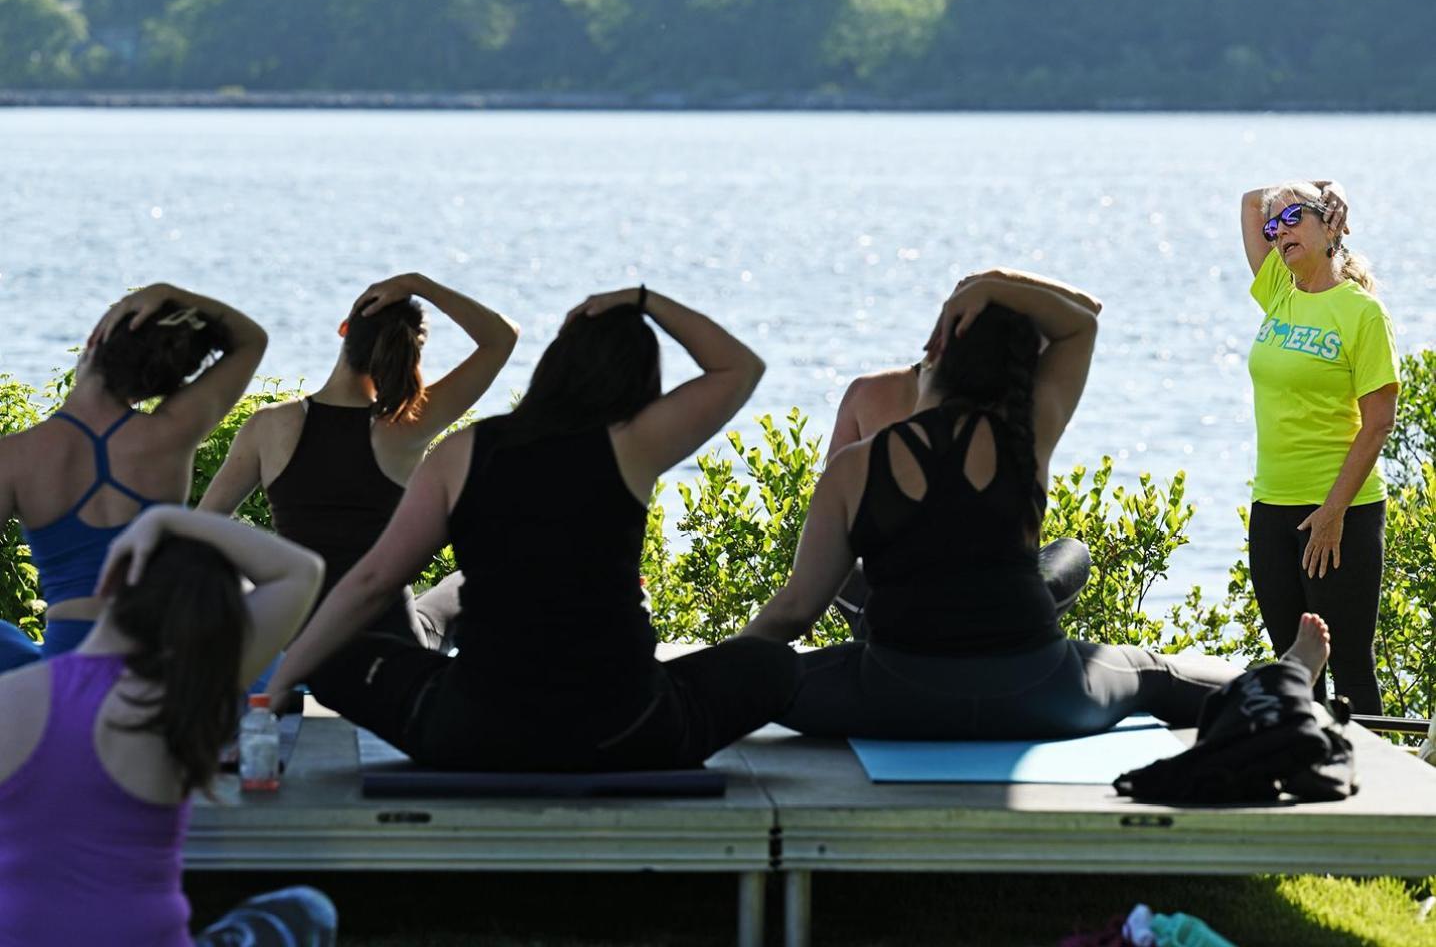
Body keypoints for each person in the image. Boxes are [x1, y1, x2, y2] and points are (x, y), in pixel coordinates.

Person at [740, 272, 1332, 739]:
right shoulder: (1028, 434)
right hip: (1039, 693)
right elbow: (1080, 326)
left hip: (894, 694)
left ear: (936, 345)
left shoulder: (857, 465)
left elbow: (795, 610)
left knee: (770, 675)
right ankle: (1284, 682)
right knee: (1157, 673)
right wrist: (990, 286)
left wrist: (719, 675)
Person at [265, 287, 798, 772]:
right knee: (771, 665)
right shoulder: (636, 444)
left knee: (337, 659)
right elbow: (738, 368)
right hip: (627, 728)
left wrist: (283, 685)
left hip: (475, 732)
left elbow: (372, 580)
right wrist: (644, 300)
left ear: (555, 365)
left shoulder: (464, 450)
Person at [0, 505, 335, 946]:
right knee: (307, 908)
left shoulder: (9, 696)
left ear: (111, 584)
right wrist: (166, 518)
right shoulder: (179, 698)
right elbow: (301, 571)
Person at [199, 273, 519, 652]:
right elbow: (502, 338)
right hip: (391, 642)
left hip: (298, 637)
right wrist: (419, 285)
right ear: (411, 352)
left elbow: (203, 524)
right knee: (463, 582)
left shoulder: (270, 425)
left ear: (344, 329)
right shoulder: (409, 423)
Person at [0, 284, 266, 672]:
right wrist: (169, 294)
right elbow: (251, 340)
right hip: (158, 654)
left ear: (94, 341)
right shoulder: (171, 433)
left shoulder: (15, 456)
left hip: (70, 656)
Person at [825, 270, 1104, 635]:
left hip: (896, 609)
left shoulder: (866, 394)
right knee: (1070, 553)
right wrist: (994, 282)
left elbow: (837, 529)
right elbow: (1087, 313)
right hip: (1000, 614)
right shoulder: (1020, 420)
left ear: (941, 337)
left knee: (843, 568)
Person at [1239, 180, 1399, 715]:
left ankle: (1373, 793)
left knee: (1350, 666)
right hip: (1272, 508)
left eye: (1292, 219)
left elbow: (1378, 423)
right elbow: (1249, 200)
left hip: (1341, 511)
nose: (1278, 231)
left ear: (1329, 225)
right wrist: (1324, 185)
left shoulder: (1362, 313)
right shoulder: (1278, 291)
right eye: (1273, 227)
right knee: (1294, 665)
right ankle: (1309, 774)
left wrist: (1332, 513)